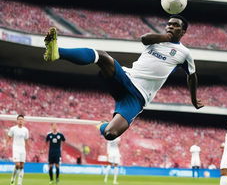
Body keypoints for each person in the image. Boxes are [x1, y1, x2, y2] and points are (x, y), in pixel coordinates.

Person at [43, 15, 204, 140]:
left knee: (110, 134)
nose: (170, 26)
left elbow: (192, 76)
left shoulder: (184, 54)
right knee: (102, 57)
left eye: (175, 25)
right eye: (169, 23)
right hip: (126, 78)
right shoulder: (156, 40)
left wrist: (194, 99)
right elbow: (144, 38)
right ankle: (57, 52)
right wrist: (166, 37)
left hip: (137, 97)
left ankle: (102, 126)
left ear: (183, 32)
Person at [7, 114, 29, 185]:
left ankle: (19, 183)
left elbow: (26, 140)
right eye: (19, 119)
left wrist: (28, 147)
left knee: (22, 166)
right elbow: (9, 137)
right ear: (17, 120)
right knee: (17, 165)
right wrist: (7, 145)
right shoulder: (13, 129)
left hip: (23, 148)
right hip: (16, 148)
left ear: (23, 121)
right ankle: (13, 178)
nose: (20, 120)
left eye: (22, 119)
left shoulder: (25, 130)